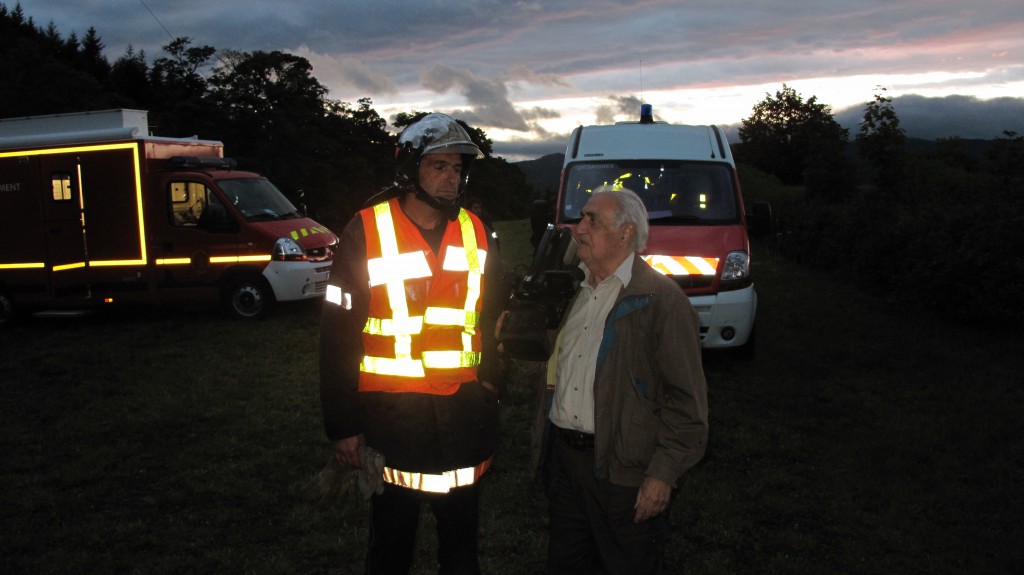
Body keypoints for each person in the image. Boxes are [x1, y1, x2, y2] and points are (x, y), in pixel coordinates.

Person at [319, 113, 506, 575]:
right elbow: (337, 338)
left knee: (462, 550)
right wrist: (343, 426)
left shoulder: (477, 231)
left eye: (458, 168)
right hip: (392, 420)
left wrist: (494, 386)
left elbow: (494, 318)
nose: (451, 178)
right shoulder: (365, 230)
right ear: (410, 170)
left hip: (464, 417)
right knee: (390, 548)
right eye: (438, 166)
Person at [534, 187, 708, 574]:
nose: (578, 229)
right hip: (565, 463)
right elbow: (551, 368)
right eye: (581, 218)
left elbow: (687, 404)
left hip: (624, 473)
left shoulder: (661, 300)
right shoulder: (570, 292)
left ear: (626, 233)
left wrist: (662, 474)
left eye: (592, 220)